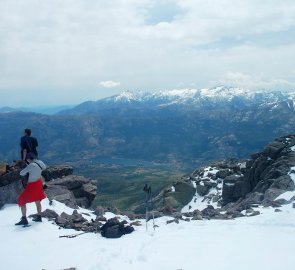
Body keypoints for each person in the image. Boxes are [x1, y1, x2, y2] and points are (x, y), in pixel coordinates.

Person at [15, 152, 46, 226]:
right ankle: (39, 217)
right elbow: (44, 167)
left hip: (32, 185)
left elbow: (22, 173)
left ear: (29, 159)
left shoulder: (31, 165)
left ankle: (24, 219)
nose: (27, 161)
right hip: (39, 183)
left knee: (21, 200)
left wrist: (28, 167)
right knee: (37, 200)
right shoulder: (40, 162)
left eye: (27, 159)